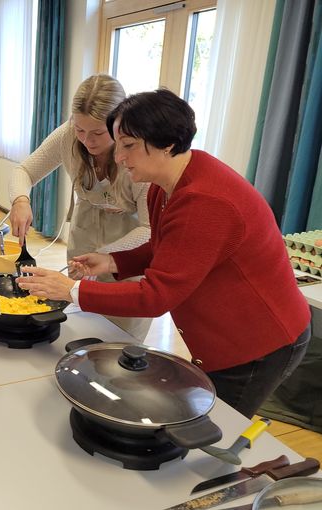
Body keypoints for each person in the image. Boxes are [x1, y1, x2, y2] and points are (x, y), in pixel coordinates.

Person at [16, 89, 312, 418]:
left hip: (259, 341)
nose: (118, 157)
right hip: (227, 334)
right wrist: (115, 260)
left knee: (218, 431)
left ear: (167, 143)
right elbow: (167, 247)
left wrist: (72, 291)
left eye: (128, 146)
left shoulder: (205, 202)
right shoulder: (167, 182)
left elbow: (156, 297)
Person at [9, 74, 152, 340]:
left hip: (129, 244)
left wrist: (106, 254)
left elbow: (150, 229)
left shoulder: (138, 150)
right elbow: (24, 170)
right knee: (84, 323)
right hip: (85, 233)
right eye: (80, 130)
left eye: (98, 132)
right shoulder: (67, 136)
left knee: (121, 337)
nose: (88, 141)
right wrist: (20, 200)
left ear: (119, 124)